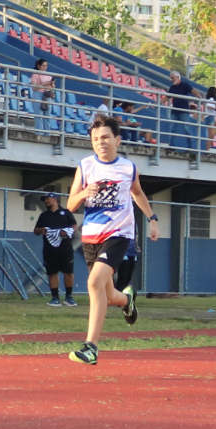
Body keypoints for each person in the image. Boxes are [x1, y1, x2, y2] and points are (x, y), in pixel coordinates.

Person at [66, 114, 161, 365]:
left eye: (106, 137)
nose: (101, 142)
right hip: (91, 236)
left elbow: (137, 194)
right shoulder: (85, 166)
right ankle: (126, 300)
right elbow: (71, 203)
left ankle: (91, 347)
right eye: (96, 139)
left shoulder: (128, 168)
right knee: (107, 296)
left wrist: (152, 219)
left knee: (94, 283)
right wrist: (85, 192)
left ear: (117, 140)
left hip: (119, 234)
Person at [34, 192, 77, 307]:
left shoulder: (66, 213)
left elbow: (74, 226)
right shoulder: (44, 215)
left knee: (68, 272)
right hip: (49, 249)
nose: (46, 201)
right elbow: (36, 230)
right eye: (45, 200)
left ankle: (69, 297)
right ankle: (55, 298)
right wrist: (41, 230)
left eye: (48, 199)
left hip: (65, 248)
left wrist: (67, 232)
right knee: (52, 272)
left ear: (55, 199)